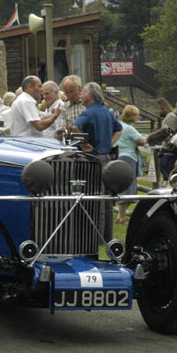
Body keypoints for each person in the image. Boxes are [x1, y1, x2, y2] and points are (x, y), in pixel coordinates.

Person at [70, 82, 123, 242]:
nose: (80, 95)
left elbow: (74, 128)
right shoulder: (107, 112)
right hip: (107, 158)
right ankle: (106, 235)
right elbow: (119, 129)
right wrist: (109, 143)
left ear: (90, 96)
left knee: (93, 198)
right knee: (106, 199)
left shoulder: (88, 113)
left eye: (83, 92)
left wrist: (83, 144)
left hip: (92, 159)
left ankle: (95, 236)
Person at [148, 95, 177, 180]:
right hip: (169, 156)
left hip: (171, 155)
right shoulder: (172, 118)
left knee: (173, 182)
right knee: (171, 183)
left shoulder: (176, 118)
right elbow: (167, 136)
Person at [115, 105, 146, 224]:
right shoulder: (129, 128)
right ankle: (122, 216)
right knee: (128, 188)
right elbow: (142, 141)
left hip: (119, 156)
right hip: (128, 158)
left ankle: (120, 215)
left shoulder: (119, 125)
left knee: (124, 186)